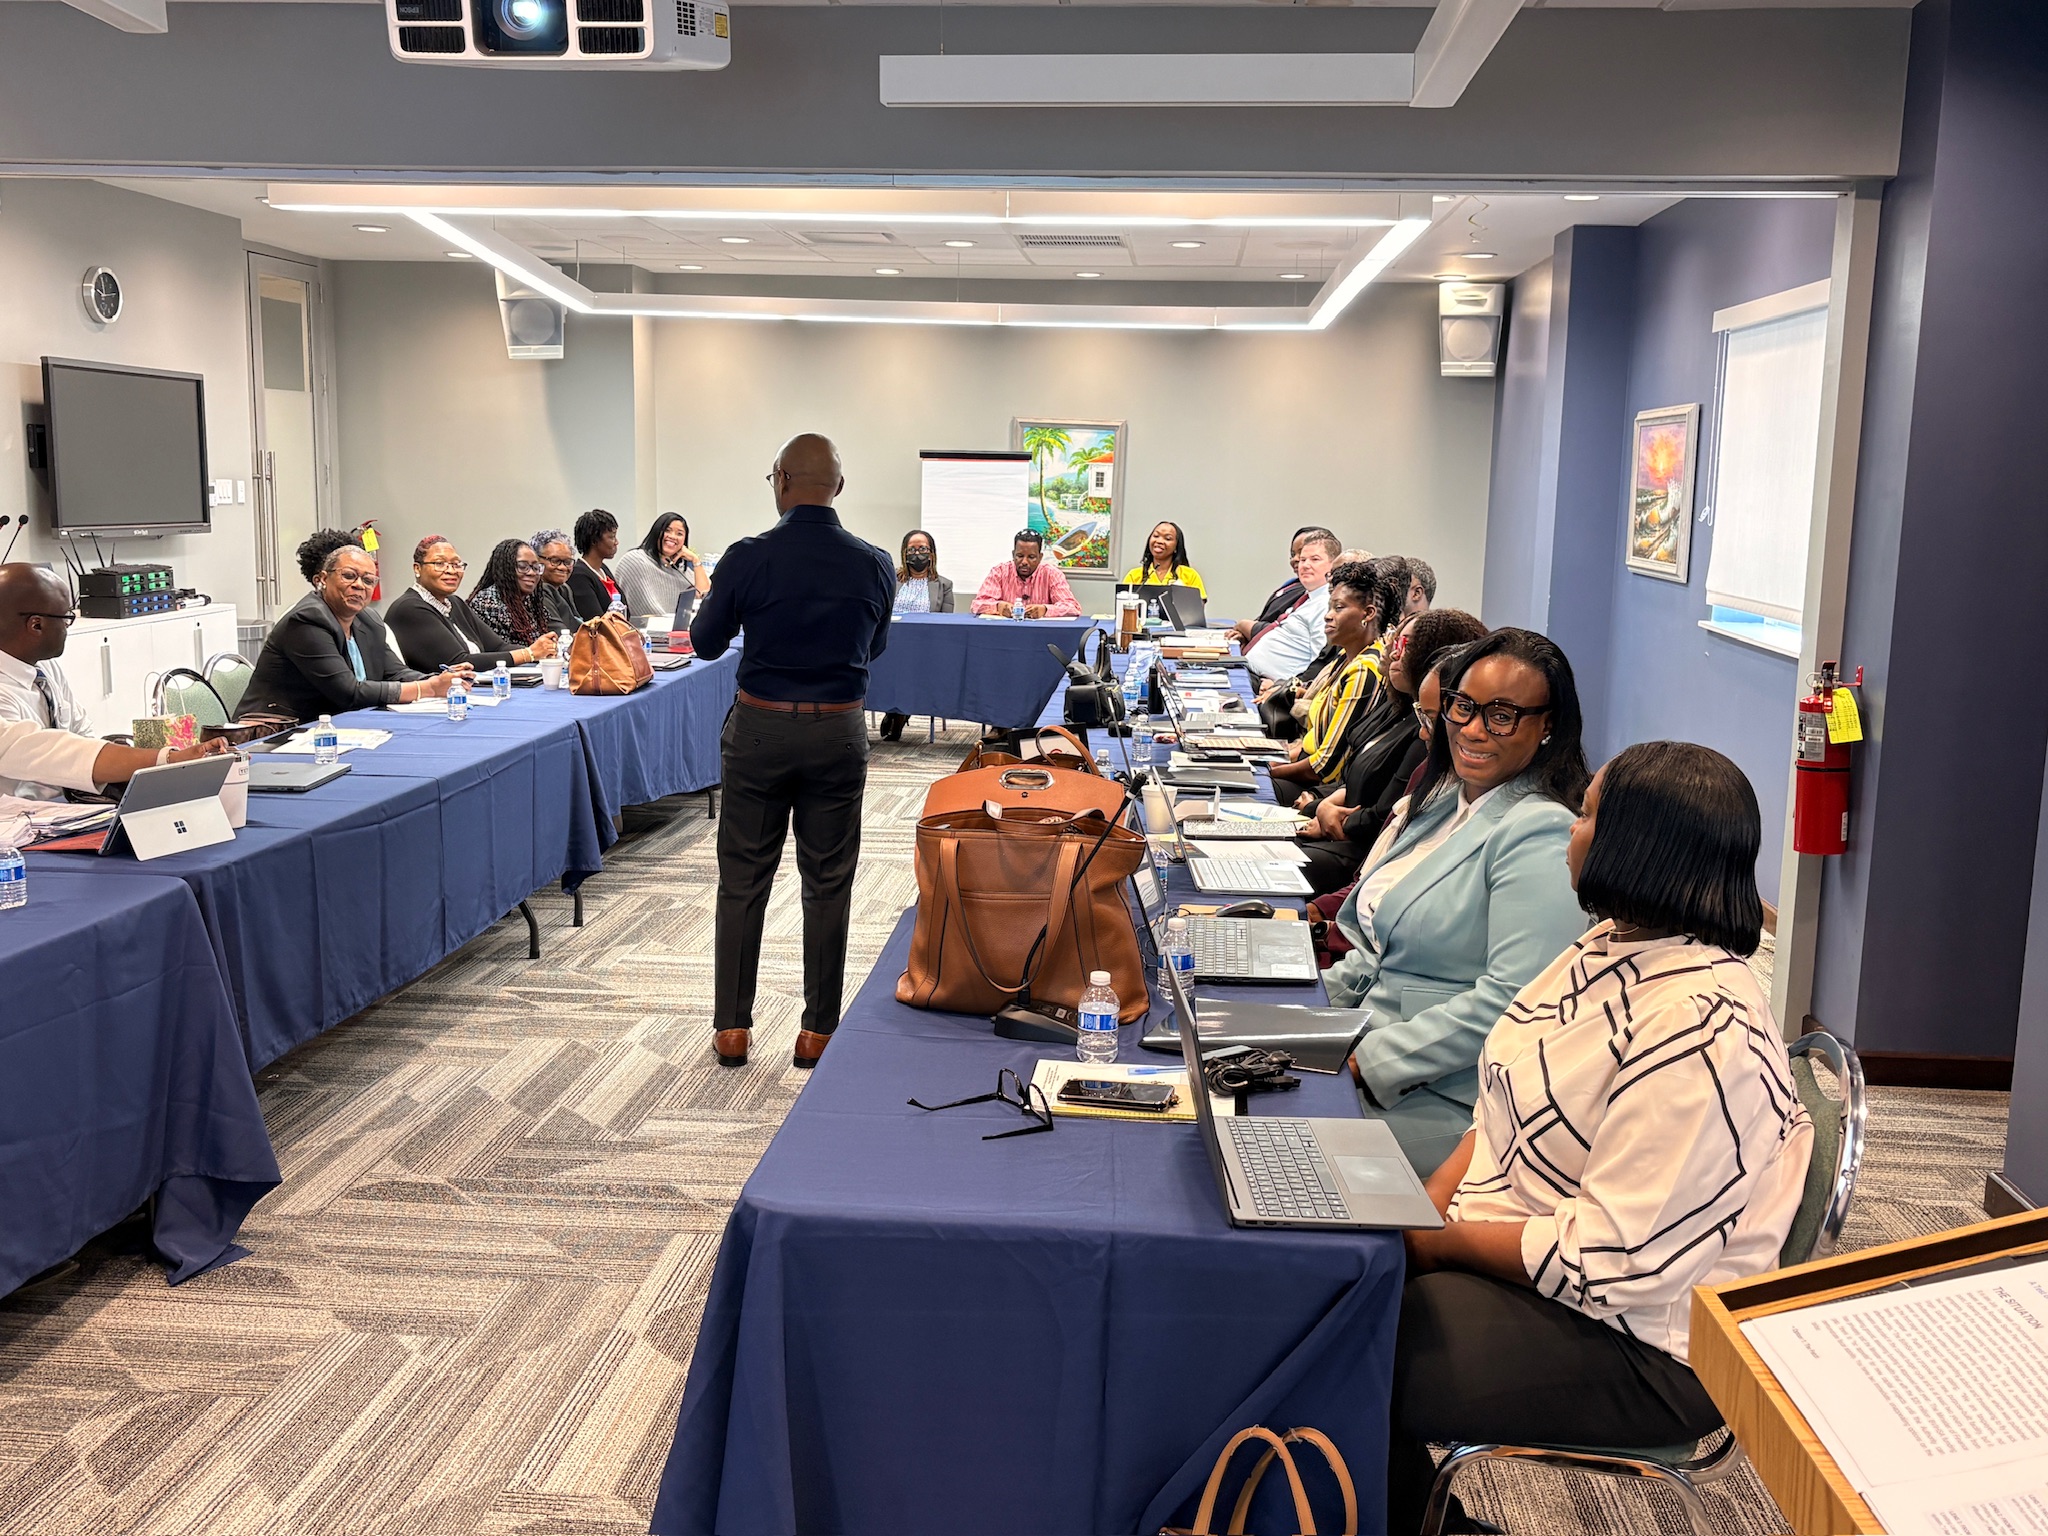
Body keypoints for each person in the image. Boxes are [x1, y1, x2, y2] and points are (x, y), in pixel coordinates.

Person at [1385, 741, 1814, 1535]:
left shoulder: (1702, 1028)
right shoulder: (1610, 946)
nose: (1570, 832)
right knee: (1340, 1287)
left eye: (1585, 816)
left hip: (1644, 1345)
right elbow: (1498, 1111)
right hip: (1550, 1266)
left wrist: (1437, 1244)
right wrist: (1424, 1208)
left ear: (1635, 845)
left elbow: (1614, 1260)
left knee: (1353, 1341)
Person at [1324, 628, 1591, 1176]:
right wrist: (1302, 1010)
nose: (1472, 729)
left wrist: (1367, 1061)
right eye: (1463, 707)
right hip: (1363, 1042)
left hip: (1445, 1096)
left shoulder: (1540, 831)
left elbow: (1513, 1002)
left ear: (1548, 726)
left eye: (1502, 715)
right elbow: (1377, 953)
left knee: (1264, 1145)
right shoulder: (1449, 799)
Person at [691, 433, 895, 1072]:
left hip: (760, 730)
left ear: (779, 481)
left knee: (742, 880)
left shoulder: (747, 556)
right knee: (829, 882)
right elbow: (875, 647)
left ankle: (732, 1028)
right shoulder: (875, 562)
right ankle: (818, 1033)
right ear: (840, 486)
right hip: (838, 732)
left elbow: (704, 642)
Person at [1296, 609, 1488, 895]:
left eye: (1404, 644)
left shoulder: (1430, 739)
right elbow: (1353, 773)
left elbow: (1382, 818)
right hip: (1347, 839)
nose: (1392, 650)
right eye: (1394, 640)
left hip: (1357, 844)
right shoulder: (1400, 708)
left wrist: (1322, 810)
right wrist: (1322, 802)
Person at [238, 541, 468, 722]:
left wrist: (443, 679)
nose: (359, 585)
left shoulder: (368, 620)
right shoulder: (307, 620)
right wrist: (427, 689)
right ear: (323, 579)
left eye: (368, 580)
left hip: (336, 725)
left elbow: (395, 672)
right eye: (349, 576)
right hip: (278, 732)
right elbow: (349, 693)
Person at [1267, 561, 1401, 792]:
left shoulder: (1364, 670)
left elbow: (1325, 767)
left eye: (1339, 608)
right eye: (1329, 607)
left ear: (1368, 614)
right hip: (1302, 764)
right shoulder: (1345, 656)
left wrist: (1266, 773)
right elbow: (1314, 741)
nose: (1328, 616)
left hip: (1317, 788)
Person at [386, 536, 555, 672]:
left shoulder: (455, 603)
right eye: (439, 563)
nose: (451, 570)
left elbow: (498, 646)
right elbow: (459, 662)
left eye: (456, 564)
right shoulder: (409, 608)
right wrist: (529, 654)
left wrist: (542, 651)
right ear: (417, 568)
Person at [0, 563, 98, 799]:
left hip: (73, 804)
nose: (67, 626)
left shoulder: (45, 667)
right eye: (66, 617)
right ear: (36, 625)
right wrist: (163, 758)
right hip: (22, 816)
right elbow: (51, 757)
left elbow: (81, 733)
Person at [0, 717, 226, 796]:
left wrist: (169, 759)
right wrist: (169, 759)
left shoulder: (48, 671)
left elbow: (62, 748)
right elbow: (42, 752)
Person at [878, 530, 954, 744]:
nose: (917, 554)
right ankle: (896, 711)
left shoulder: (944, 585)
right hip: (891, 644)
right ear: (904, 553)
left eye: (922, 549)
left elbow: (945, 621)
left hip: (925, 648)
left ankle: (897, 713)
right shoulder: (891, 580)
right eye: (912, 549)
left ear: (932, 553)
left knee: (909, 665)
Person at [1244, 529, 1341, 682]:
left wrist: (1283, 688)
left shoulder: (1326, 605)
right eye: (1302, 560)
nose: (1305, 565)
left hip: (1270, 686)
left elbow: (1321, 664)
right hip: (1253, 674)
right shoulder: (1308, 598)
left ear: (1333, 565)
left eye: (1315, 559)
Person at [1230, 526, 1332, 646]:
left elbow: (1282, 634)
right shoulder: (1292, 586)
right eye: (1294, 554)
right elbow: (1267, 619)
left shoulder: (1319, 596)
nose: (1296, 559)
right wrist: (1245, 633)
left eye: (1313, 558)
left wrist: (1244, 625)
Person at [615, 512, 712, 622]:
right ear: (656, 532)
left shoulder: (680, 570)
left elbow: (705, 597)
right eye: (667, 530)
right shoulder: (635, 560)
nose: (672, 537)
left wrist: (695, 560)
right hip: (647, 630)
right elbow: (647, 610)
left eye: (679, 533)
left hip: (678, 630)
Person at [971, 530, 1081, 618]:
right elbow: (977, 605)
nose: (1024, 562)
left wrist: (1045, 610)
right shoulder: (999, 572)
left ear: (1040, 557)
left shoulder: (1052, 574)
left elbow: (1073, 607)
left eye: (1031, 557)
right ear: (1013, 554)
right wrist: (998, 607)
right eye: (1020, 556)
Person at [469, 540, 558, 649]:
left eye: (535, 567)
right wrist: (534, 652)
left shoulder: (531, 602)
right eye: (522, 566)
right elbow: (499, 651)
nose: (531, 573)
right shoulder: (487, 604)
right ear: (505, 568)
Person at [1121, 520, 1206, 597]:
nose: (1159, 541)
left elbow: (1198, 606)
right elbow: (1122, 604)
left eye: (1168, 538)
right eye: (1156, 536)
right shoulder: (1134, 576)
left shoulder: (1190, 575)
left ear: (1176, 547)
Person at [567, 508, 623, 620]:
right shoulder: (578, 575)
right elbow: (595, 618)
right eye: (612, 537)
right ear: (594, 540)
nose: (616, 542)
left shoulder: (603, 569)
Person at [527, 528, 584, 632]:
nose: (562, 567)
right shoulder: (537, 590)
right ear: (536, 561)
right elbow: (559, 633)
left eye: (567, 562)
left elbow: (577, 625)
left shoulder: (564, 589)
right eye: (555, 561)